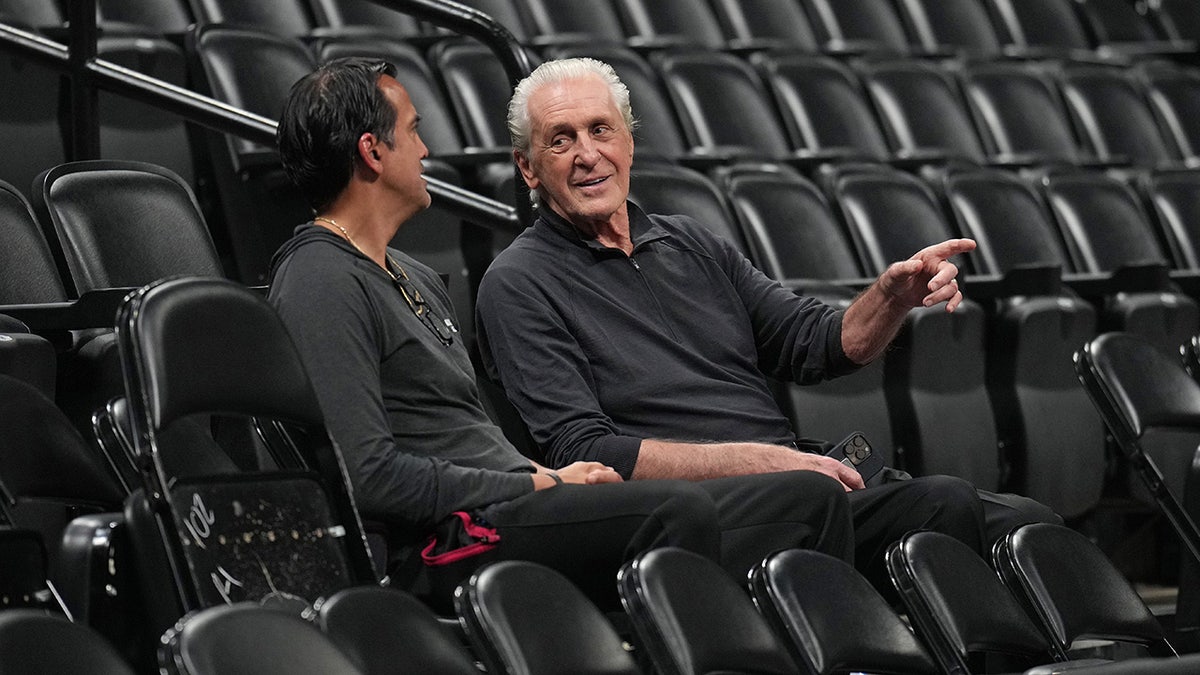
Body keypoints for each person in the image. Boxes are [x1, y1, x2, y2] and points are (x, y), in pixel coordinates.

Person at [267, 57, 856, 609]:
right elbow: (368, 476)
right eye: (414, 131)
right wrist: (534, 481)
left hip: (505, 502)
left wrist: (538, 483)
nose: (425, 150)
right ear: (373, 151)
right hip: (445, 537)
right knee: (673, 509)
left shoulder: (413, 274)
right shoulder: (320, 276)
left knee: (806, 499)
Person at [476, 57, 1061, 591]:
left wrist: (891, 296)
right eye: (561, 140)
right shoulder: (518, 282)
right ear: (528, 169)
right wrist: (768, 461)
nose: (586, 154)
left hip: (794, 486)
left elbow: (818, 343)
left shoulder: (692, 243)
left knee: (1016, 521)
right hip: (690, 513)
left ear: (629, 142)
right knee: (862, 499)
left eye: (600, 130)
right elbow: (586, 449)